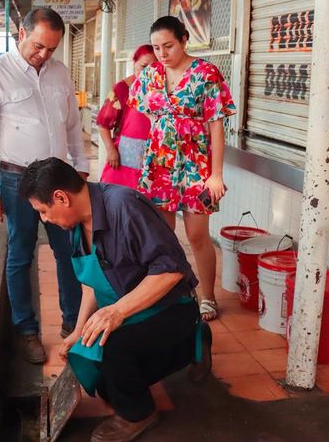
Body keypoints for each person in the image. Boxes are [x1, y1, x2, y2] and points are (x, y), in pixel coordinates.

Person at [19, 158, 201, 442]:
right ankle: (151, 364)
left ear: (61, 197)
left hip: (172, 306)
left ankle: (139, 413)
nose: (44, 219)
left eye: (43, 211)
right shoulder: (76, 225)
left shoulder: (124, 207)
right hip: (131, 307)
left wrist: (116, 312)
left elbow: (171, 270)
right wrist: (79, 330)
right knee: (103, 381)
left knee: (109, 345)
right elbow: (92, 283)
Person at [0, 8, 88, 364]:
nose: (44, 54)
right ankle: (26, 331)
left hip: (59, 180)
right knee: (20, 255)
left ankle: (73, 324)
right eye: (38, 46)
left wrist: (81, 168)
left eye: (51, 48)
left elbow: (72, 126)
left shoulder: (60, 72)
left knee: (69, 252)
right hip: (16, 180)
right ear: (21, 33)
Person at [129, 16, 236, 321]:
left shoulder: (206, 73)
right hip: (160, 163)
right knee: (162, 234)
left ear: (184, 39)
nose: (162, 53)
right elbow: (146, 110)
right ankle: (169, 293)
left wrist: (216, 175)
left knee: (197, 234)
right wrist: (163, 132)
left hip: (196, 164)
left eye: (168, 46)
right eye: (156, 48)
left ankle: (208, 297)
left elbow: (217, 126)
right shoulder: (150, 74)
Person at [96, 44, 156, 188]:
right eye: (143, 66)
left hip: (151, 159)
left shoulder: (160, 91)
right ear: (134, 63)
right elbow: (103, 124)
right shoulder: (122, 89)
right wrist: (111, 151)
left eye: (153, 68)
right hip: (122, 159)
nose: (148, 73)